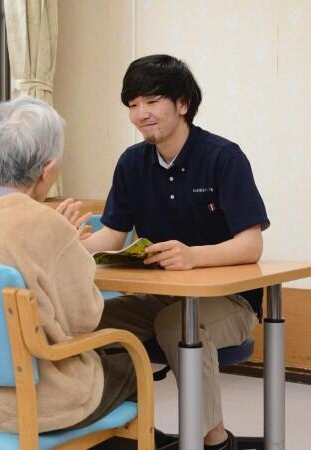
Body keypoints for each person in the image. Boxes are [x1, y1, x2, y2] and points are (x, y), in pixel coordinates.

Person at [0, 95, 137, 433]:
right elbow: (84, 320)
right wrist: (70, 245)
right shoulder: (46, 226)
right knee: (130, 362)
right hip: (33, 402)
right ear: (48, 170)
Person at [83, 54, 270, 450]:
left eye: (152, 102)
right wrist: (68, 245)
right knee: (85, 319)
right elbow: (112, 235)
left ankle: (214, 441)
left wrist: (194, 255)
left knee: (177, 325)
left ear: (182, 103)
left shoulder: (223, 157)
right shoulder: (132, 163)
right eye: (133, 105)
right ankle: (130, 429)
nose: (141, 114)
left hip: (229, 302)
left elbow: (251, 244)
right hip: (158, 296)